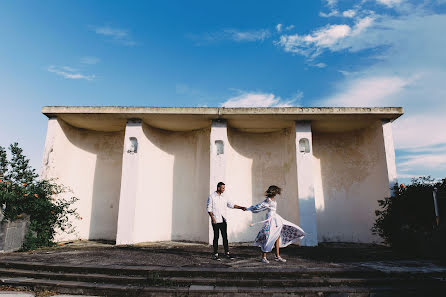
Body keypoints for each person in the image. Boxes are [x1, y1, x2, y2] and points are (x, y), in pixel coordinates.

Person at [247, 185, 305, 263]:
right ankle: (263, 257)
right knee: (268, 237)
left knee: (277, 237)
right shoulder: (268, 200)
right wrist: (248, 208)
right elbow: (259, 207)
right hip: (270, 219)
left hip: (276, 219)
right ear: (274, 192)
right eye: (276, 191)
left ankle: (277, 256)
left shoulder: (273, 200)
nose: (277, 193)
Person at [207, 182, 246, 260]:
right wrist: (213, 218)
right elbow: (209, 208)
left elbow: (231, 205)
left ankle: (227, 253)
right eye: (222, 188)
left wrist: (241, 207)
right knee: (216, 237)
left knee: (225, 237)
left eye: (224, 188)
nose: (224, 189)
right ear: (218, 188)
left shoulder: (224, 197)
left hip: (223, 219)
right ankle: (215, 253)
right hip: (216, 220)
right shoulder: (212, 196)